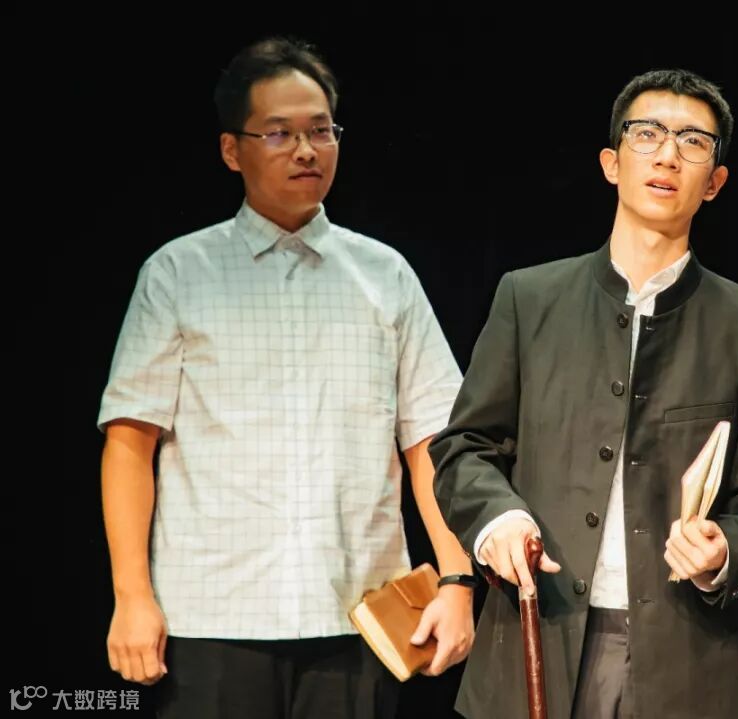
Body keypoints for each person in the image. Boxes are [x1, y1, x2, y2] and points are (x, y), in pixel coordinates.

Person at [97, 36, 474, 719]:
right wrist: (131, 596)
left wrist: (457, 579)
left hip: (358, 614)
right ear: (231, 149)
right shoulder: (178, 273)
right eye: (279, 133)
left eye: (321, 131)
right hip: (212, 617)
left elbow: (431, 443)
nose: (306, 150)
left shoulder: (385, 275)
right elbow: (130, 443)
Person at [429, 68, 738, 719]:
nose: (667, 155)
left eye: (693, 141)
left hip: (683, 660)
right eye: (647, 134)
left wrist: (725, 550)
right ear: (611, 163)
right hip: (538, 639)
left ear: (715, 181)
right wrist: (498, 517)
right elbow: (464, 447)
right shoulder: (529, 298)